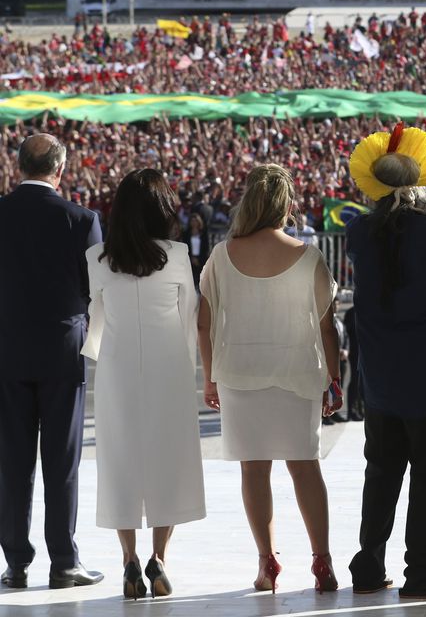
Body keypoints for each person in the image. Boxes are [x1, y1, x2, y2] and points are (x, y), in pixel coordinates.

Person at [345, 123, 426, 600]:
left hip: (379, 379)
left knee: (379, 473)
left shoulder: (360, 232)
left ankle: (367, 565)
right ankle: (422, 573)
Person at [198, 164, 342, 595]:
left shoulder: (222, 256)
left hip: (240, 374)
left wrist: (209, 379)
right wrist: (333, 378)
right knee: (305, 468)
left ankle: (267, 561)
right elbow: (327, 327)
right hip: (297, 373)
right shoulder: (309, 256)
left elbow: (203, 324)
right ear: (286, 204)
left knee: (254, 471)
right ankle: (322, 558)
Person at [82, 169, 205, 599]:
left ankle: (129, 560)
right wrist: (188, 362)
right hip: (168, 365)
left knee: (119, 462)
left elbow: (95, 321)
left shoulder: (98, 258)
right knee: (167, 459)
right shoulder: (174, 255)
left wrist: (100, 349)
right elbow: (189, 314)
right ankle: (159, 559)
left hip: (117, 367)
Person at [0, 134, 104, 590]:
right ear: (59, 170)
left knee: (12, 462)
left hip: (7, 348)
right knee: (61, 461)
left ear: (19, 165)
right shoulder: (82, 218)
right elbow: (96, 290)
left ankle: (16, 561)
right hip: (63, 349)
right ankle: (63, 560)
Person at [181, 212, 210, 288]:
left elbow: (206, 249)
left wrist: (199, 260)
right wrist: (191, 258)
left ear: (199, 222)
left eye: (195, 221)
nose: (194, 223)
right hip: (189, 260)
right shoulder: (186, 234)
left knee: (200, 283)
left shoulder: (203, 234)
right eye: (192, 221)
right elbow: (184, 247)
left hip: (201, 260)